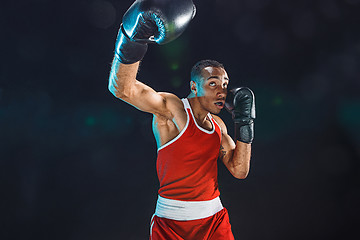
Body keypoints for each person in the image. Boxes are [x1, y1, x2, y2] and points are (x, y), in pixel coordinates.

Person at [108, 0, 255, 239]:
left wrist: (245, 121)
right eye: (213, 84)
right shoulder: (172, 109)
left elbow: (239, 170)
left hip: (214, 221)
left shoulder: (219, 125)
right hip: (170, 224)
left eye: (225, 85)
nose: (222, 91)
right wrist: (133, 38)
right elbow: (122, 88)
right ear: (193, 87)